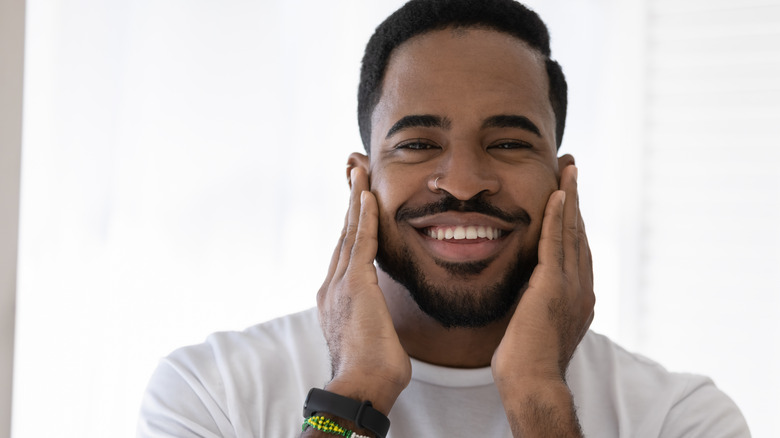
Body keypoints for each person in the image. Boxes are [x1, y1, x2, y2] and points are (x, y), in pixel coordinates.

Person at [137, 0, 750, 437]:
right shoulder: (209, 395)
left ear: (563, 181)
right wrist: (355, 394)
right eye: (416, 144)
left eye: (509, 143)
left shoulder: (683, 419)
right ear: (361, 179)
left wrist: (538, 398)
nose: (461, 182)